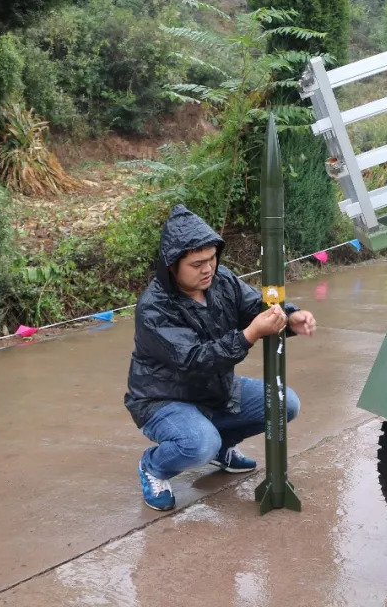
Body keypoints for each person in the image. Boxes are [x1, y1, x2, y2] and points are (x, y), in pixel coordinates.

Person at [124, 204, 317, 511]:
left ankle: (222, 447)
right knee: (199, 443)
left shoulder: (222, 280)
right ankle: (154, 466)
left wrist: (291, 316)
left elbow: (256, 306)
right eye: (197, 263)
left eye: (212, 258)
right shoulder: (154, 308)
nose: (208, 269)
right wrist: (249, 335)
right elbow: (193, 359)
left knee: (284, 403)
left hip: (213, 389)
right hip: (163, 398)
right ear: (172, 265)